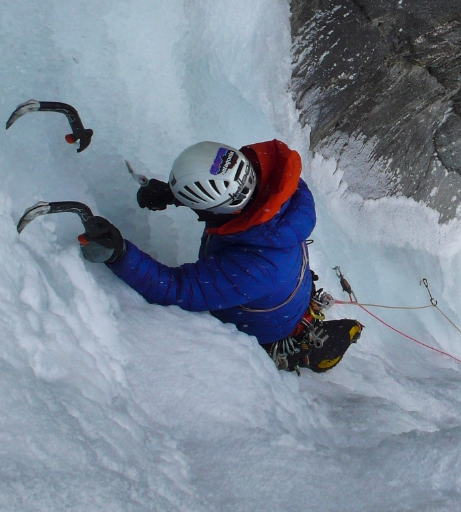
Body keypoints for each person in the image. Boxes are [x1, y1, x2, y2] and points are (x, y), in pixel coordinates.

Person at [77, 139, 361, 373]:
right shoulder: (279, 193)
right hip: (283, 288)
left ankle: (306, 354)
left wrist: (120, 254)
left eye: (199, 208)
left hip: (271, 327)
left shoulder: (253, 267)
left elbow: (179, 289)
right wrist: (172, 194)